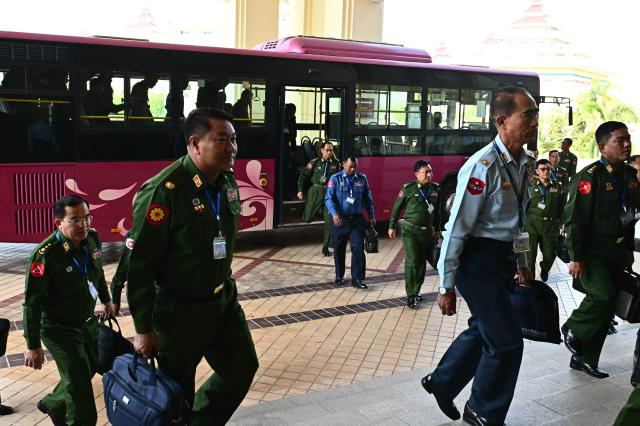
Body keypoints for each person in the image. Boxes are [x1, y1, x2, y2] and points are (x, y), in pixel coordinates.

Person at [126, 107, 258, 424]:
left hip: (222, 302)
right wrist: (143, 328)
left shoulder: (226, 183)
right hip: (177, 311)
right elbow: (140, 266)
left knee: (241, 369)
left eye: (234, 139)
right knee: (176, 394)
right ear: (195, 143)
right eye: (222, 139)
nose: (232, 148)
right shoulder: (164, 192)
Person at [421, 86, 537, 425]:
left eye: (534, 115)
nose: (534, 122)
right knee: (507, 342)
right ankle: (482, 410)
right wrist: (446, 285)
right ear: (502, 121)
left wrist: (523, 261)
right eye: (527, 115)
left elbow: (520, 222)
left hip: (502, 259)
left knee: (485, 327)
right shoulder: (481, 167)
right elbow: (456, 228)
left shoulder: (526, 164)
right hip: (477, 261)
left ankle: (442, 381)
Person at [23, 195, 113, 426]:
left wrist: (107, 300)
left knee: (90, 366)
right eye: (75, 220)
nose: (83, 225)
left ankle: (53, 403)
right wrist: (33, 345)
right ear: (58, 224)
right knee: (79, 383)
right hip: (58, 328)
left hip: (86, 323)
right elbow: (32, 304)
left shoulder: (92, 239)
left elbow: (98, 274)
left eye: (86, 218)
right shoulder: (45, 255)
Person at [561, 121, 639, 379]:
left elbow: (630, 215)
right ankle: (573, 328)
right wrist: (575, 257)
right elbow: (574, 220)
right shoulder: (589, 176)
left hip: (615, 252)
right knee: (603, 295)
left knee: (607, 308)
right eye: (620, 140)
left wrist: (628, 247)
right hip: (591, 252)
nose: (626, 144)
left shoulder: (628, 176)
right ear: (603, 146)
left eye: (627, 138)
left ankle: (584, 358)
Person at [388, 160, 441, 308]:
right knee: (413, 261)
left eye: (431, 171)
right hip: (410, 231)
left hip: (427, 233)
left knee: (422, 263)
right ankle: (411, 295)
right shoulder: (408, 189)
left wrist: (437, 229)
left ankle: (416, 290)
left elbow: (436, 212)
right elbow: (396, 208)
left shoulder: (436, 189)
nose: (429, 174)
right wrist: (392, 226)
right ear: (417, 174)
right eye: (426, 172)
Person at [325, 155, 375, 289]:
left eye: (355, 166)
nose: (353, 169)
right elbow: (329, 199)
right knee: (339, 249)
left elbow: (368, 199)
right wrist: (334, 213)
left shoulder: (362, 179)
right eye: (350, 166)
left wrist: (371, 216)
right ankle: (339, 276)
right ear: (343, 165)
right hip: (340, 220)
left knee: (358, 249)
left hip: (357, 220)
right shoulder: (335, 179)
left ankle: (356, 279)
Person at [297, 141, 341, 256]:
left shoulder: (336, 164)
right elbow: (304, 175)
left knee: (329, 221)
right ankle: (316, 210)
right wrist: (300, 190)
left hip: (329, 193)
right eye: (327, 150)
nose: (329, 152)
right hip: (316, 191)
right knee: (307, 218)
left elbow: (341, 179)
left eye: (331, 150)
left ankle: (326, 246)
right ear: (322, 151)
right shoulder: (315, 162)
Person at [525, 158, 564, 282]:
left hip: (550, 225)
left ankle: (545, 268)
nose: (546, 171)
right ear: (537, 171)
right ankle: (530, 281)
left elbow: (562, 206)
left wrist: (562, 222)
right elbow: (523, 204)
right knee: (529, 256)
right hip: (532, 224)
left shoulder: (557, 186)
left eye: (548, 169)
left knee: (550, 254)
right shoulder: (530, 185)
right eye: (543, 169)